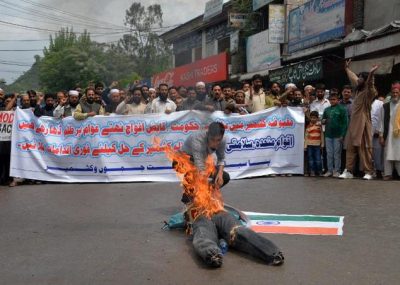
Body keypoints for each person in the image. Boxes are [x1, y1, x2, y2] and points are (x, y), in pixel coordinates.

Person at [176, 122, 284, 267]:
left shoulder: (223, 140)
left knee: (237, 230)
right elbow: (200, 168)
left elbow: (221, 159)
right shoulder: (197, 140)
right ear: (207, 135)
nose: (215, 144)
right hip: (186, 164)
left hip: (217, 211)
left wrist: (218, 175)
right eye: (213, 140)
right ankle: (212, 254)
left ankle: (273, 253)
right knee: (203, 235)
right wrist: (197, 191)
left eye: (218, 140)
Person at [339, 60, 379, 180]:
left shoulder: (368, 92)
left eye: (362, 78)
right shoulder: (357, 90)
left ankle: (369, 171)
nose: (359, 79)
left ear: (365, 80)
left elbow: (370, 85)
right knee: (350, 149)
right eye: (359, 77)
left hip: (363, 125)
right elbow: (353, 78)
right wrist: (347, 69)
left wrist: (371, 75)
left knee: (365, 149)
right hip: (353, 125)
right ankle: (349, 171)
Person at [322, 93, 348, 177]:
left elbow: (345, 123)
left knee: (337, 154)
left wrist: (342, 134)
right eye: (331, 99)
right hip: (328, 134)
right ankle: (329, 170)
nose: (332, 101)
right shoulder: (326, 110)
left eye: (334, 99)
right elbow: (323, 120)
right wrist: (323, 121)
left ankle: (337, 171)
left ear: (338, 100)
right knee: (329, 153)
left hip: (338, 135)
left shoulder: (342, 109)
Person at [379, 83, 400, 180]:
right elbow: (381, 121)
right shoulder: (385, 106)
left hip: (398, 135)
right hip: (388, 134)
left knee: (398, 153)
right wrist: (381, 135)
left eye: (397, 92)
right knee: (387, 153)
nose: (395, 94)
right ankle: (388, 174)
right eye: (393, 92)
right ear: (391, 93)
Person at [305, 111, 324, 176]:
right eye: (312, 118)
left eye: (314, 118)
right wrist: (305, 146)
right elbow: (306, 136)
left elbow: (322, 135)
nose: (313, 119)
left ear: (317, 118)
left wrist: (322, 144)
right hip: (310, 145)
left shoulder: (319, 126)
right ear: (310, 118)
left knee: (318, 159)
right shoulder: (308, 126)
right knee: (310, 159)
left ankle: (319, 171)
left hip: (317, 145)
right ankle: (312, 171)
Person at [371, 96, 384, 178]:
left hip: (376, 132)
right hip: (365, 132)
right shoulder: (364, 102)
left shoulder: (379, 103)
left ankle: (379, 171)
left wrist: (378, 131)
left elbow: (381, 118)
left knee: (378, 152)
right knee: (366, 152)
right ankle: (368, 171)